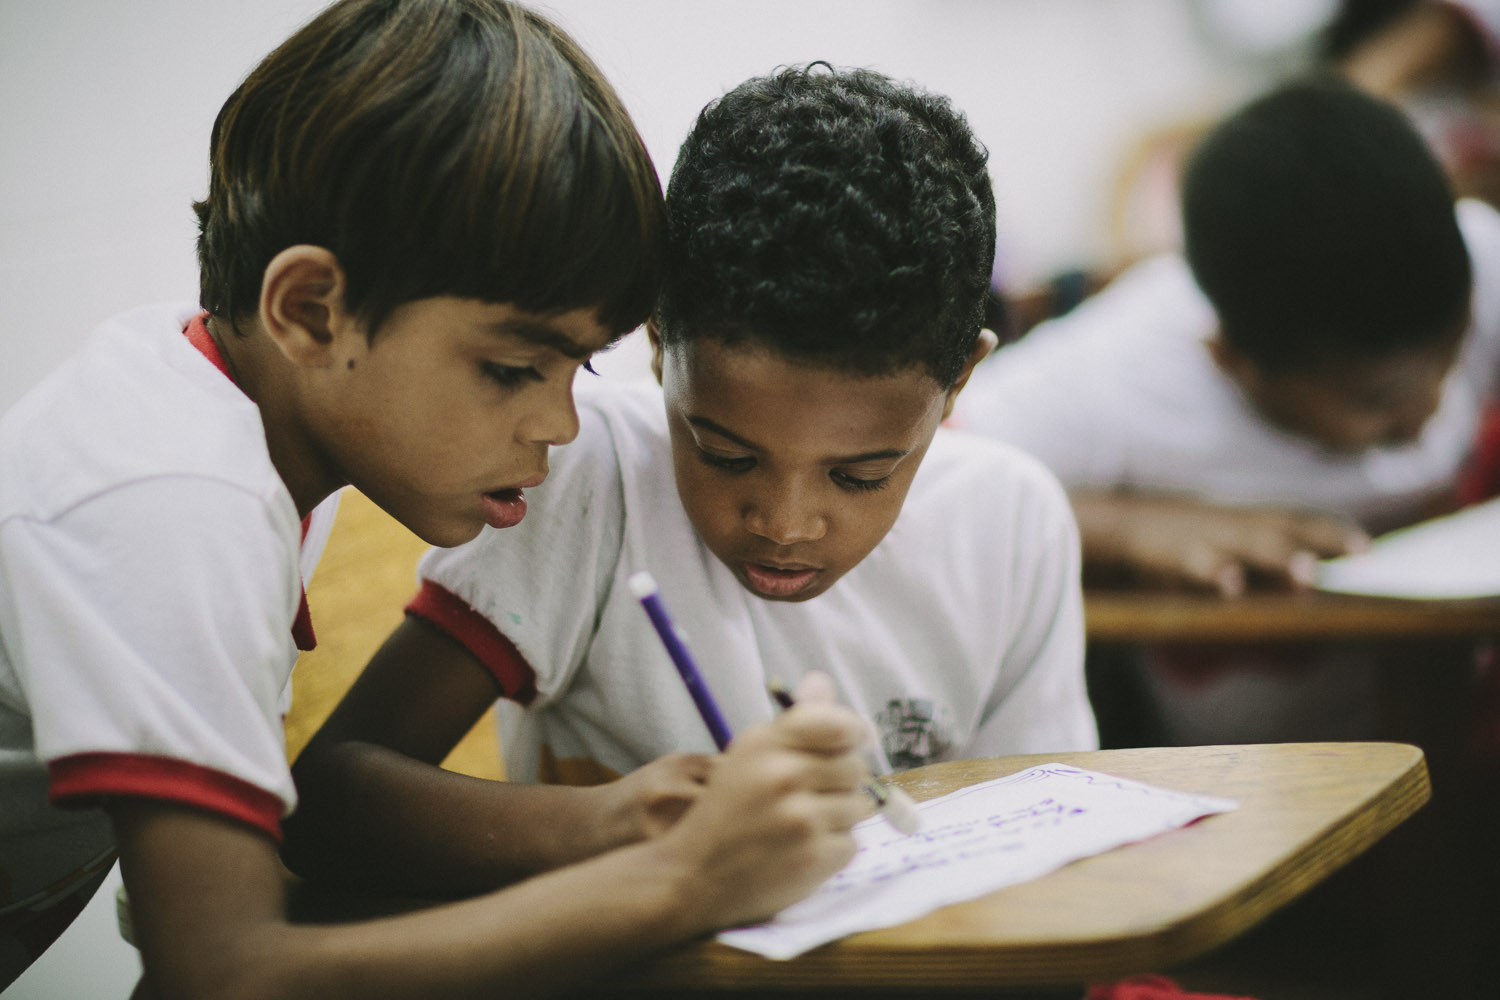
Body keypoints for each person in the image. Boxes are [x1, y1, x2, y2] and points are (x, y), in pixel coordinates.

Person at [0, 3, 875, 997]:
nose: (561, 424)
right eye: (512, 367)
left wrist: (622, 823)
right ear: (309, 311)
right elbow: (222, 972)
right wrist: (677, 882)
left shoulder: (218, 403)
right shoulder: (168, 502)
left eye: (575, 369)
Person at [282, 64, 1098, 896]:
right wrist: (632, 824)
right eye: (726, 455)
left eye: (860, 476)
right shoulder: (588, 481)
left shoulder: (1012, 522)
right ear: (658, 341)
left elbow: (1049, 836)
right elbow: (330, 801)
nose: (784, 522)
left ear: (960, 380)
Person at [957, 73, 1500, 607]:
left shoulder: (1481, 260)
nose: (1429, 414)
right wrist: (1130, 531)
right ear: (1231, 360)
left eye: (1453, 357)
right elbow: (937, 477)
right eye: (1376, 403)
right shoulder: (1126, 366)